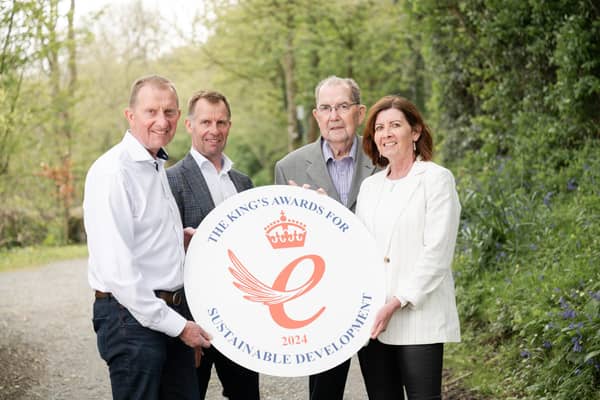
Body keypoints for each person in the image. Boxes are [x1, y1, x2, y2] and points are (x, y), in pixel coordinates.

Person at [83, 75, 212, 400]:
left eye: (169, 112)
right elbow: (118, 271)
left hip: (166, 314)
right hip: (131, 320)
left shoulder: (153, 165)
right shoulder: (114, 172)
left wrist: (176, 241)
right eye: (151, 111)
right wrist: (180, 327)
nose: (161, 121)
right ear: (130, 116)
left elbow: (141, 235)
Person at [274, 76, 378, 400]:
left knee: (384, 387)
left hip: (375, 295)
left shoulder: (383, 159)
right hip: (320, 302)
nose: (334, 116)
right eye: (326, 108)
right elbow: (284, 248)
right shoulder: (289, 167)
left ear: (359, 113)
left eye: (343, 106)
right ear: (316, 116)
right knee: (323, 393)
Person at [355, 95, 461, 400]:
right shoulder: (370, 187)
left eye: (395, 125)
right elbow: (360, 251)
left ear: (415, 131)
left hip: (418, 316)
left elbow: (437, 254)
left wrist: (397, 301)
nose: (385, 133)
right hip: (374, 319)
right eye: (379, 127)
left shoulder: (436, 179)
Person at [166, 90, 259, 400]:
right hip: (196, 322)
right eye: (206, 121)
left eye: (221, 122)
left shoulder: (243, 184)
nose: (214, 130)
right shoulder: (171, 181)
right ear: (189, 125)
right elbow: (165, 257)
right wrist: (182, 327)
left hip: (241, 317)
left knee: (246, 395)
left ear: (229, 126)